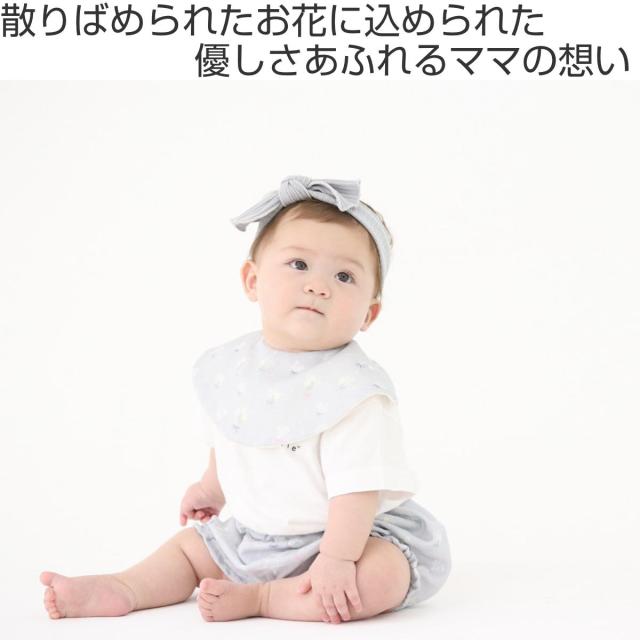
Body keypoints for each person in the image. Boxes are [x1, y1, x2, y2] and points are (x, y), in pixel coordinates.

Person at [40, 175, 451, 624]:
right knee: (190, 549)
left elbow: (358, 490)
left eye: (344, 276)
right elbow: (233, 435)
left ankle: (264, 599)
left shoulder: (356, 392)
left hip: (350, 537)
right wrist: (210, 487)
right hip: (258, 536)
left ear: (369, 313)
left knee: (376, 578)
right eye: (299, 264)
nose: (319, 286)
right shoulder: (232, 369)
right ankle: (126, 587)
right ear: (253, 280)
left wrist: (336, 559)